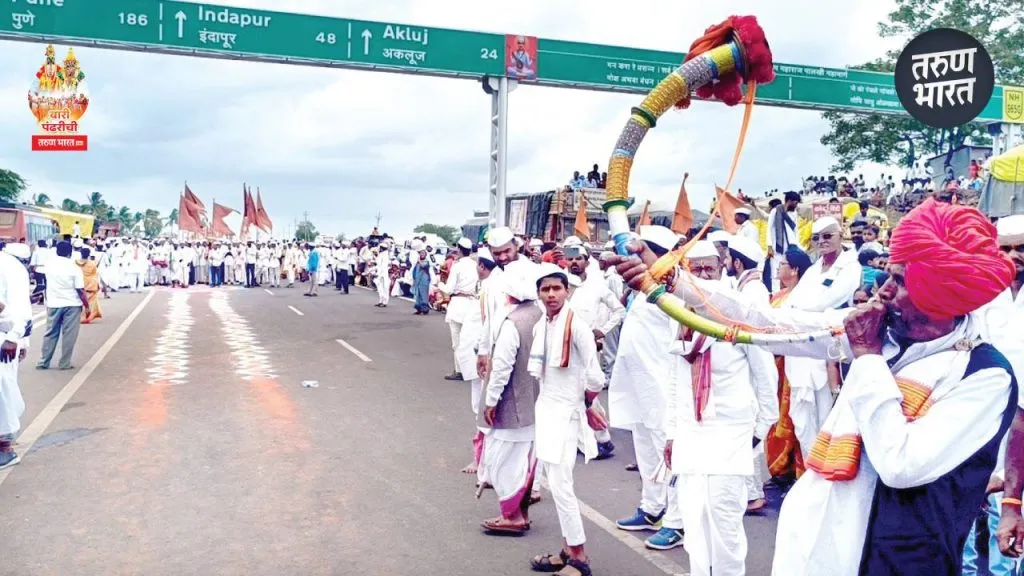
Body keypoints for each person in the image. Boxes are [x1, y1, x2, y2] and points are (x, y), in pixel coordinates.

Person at [612, 198, 1019, 574]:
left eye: (900, 280)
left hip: (889, 561)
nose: (884, 290)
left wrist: (868, 356)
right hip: (813, 549)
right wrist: (671, 277)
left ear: (939, 297)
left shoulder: (984, 375)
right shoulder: (884, 333)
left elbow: (901, 464)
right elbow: (769, 321)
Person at [662, 241, 778, 575]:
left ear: (722, 267)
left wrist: (758, 433)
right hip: (690, 431)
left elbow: (765, 378)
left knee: (724, 520)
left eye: (708, 269)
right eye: (695, 271)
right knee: (694, 520)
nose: (702, 276)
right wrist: (671, 433)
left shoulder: (736, 311)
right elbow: (675, 379)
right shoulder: (679, 312)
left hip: (731, 433)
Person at [526, 263, 608, 576]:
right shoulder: (543, 324)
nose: (550, 294)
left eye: (556, 288)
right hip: (547, 408)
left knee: (561, 486)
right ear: (538, 293)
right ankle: (566, 549)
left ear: (567, 291)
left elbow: (595, 377)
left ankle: (580, 558)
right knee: (555, 481)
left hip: (565, 413)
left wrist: (587, 406)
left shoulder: (577, 326)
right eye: (545, 289)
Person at [609, 225, 687, 551]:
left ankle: (677, 521)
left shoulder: (673, 288)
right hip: (635, 384)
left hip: (661, 383)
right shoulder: (640, 286)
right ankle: (652, 508)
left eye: (642, 250)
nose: (634, 256)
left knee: (669, 453)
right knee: (645, 448)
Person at [480, 266, 543, 535]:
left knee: (505, 462)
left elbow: (502, 368)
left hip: (513, 404)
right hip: (536, 402)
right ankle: (521, 514)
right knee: (525, 461)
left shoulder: (513, 322)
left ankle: (512, 517)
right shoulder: (541, 315)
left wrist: (491, 402)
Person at [458, 247, 497, 484]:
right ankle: (483, 462)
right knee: (480, 409)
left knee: (484, 410)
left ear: (482, 267)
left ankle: (485, 464)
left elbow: (488, 327)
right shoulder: (485, 288)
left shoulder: (491, 290)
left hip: (483, 359)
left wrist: (482, 354)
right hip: (477, 358)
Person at [0, 246, 32, 470]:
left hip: (5, 338)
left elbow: (19, 309)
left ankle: (5, 449)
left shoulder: (10, 266)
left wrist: (15, 338)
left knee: (4, 393)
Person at [37, 241, 89, 371]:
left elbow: (40, 276)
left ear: (56, 251)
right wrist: (87, 306)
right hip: (72, 304)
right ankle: (64, 363)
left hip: (54, 303)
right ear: (70, 253)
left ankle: (44, 361)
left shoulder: (49, 265)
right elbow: (80, 290)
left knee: (50, 333)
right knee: (69, 335)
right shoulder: (74, 267)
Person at [441, 237, 479, 380]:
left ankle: (460, 371)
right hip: (472, 304)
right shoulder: (475, 265)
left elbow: (449, 289)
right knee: (470, 340)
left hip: (458, 305)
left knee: (457, 342)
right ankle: (471, 370)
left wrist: (439, 285)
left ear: (459, 249)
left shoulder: (457, 266)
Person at [76, 247, 102, 324]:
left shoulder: (76, 263)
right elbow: (95, 274)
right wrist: (97, 284)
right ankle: (88, 316)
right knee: (91, 302)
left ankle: (81, 316)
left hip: (80, 282)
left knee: (80, 301)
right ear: (89, 255)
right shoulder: (92, 264)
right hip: (90, 284)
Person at [411, 247, 432, 315]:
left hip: (424, 280)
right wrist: (414, 278)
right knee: (418, 294)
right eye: (421, 253)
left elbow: (423, 266)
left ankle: (425, 309)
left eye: (423, 253)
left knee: (423, 294)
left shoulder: (426, 261)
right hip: (418, 280)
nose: (422, 254)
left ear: (425, 254)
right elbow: (414, 271)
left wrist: (419, 261)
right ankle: (419, 309)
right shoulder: (417, 262)